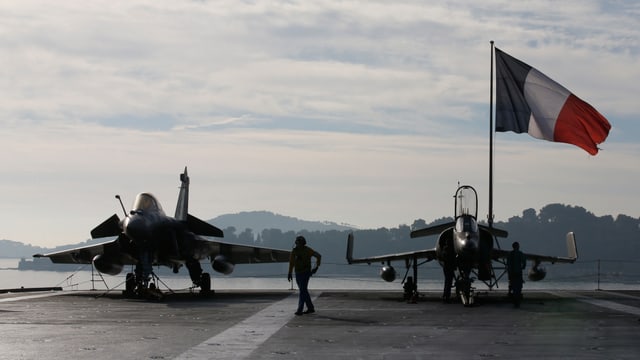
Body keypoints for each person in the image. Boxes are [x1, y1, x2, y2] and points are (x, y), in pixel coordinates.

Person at [287, 235, 322, 315]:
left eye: (299, 242)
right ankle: (310, 308)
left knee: (302, 291)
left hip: (305, 273)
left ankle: (300, 310)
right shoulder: (294, 251)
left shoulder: (308, 250)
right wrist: (289, 273)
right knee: (304, 291)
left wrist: (316, 267)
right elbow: (291, 263)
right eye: (297, 242)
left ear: (303, 243)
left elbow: (319, 256)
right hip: (298, 273)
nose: (297, 244)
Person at [507, 241, 527, 307]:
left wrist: (509, 274)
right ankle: (517, 301)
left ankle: (515, 300)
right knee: (518, 287)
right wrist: (523, 267)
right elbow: (524, 262)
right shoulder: (520, 253)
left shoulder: (510, 254)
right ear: (517, 246)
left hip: (512, 273)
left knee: (513, 286)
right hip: (518, 273)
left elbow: (508, 264)